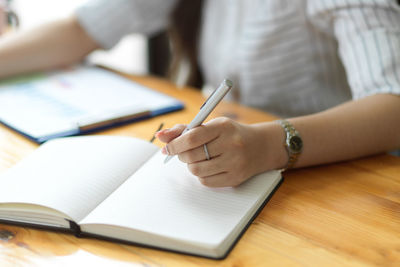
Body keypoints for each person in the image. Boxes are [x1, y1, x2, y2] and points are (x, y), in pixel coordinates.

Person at [0, 0, 399, 187]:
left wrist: (269, 144)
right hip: (236, 164)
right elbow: (83, 29)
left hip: (339, 177)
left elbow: (392, 105)